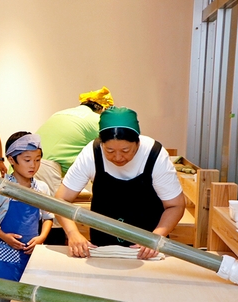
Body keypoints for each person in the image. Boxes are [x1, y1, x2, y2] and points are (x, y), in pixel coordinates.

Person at [55, 107, 185, 260]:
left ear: (138, 142)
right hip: (102, 247)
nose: (117, 157)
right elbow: (61, 199)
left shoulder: (154, 155)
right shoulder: (92, 153)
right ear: (102, 143)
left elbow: (175, 205)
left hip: (148, 249)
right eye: (109, 151)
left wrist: (156, 237)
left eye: (125, 150)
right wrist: (72, 233)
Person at [0, 132, 54, 302]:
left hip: (32, 255)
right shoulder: (0, 188)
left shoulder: (41, 188)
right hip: (4, 257)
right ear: (11, 160)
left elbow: (48, 217)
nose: (33, 165)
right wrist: (4, 236)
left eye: (37, 160)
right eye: (27, 160)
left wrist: (41, 237)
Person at [35, 86, 115, 195]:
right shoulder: (98, 120)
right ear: (103, 109)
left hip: (27, 161)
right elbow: (112, 149)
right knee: (53, 204)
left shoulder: (61, 113)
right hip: (47, 167)